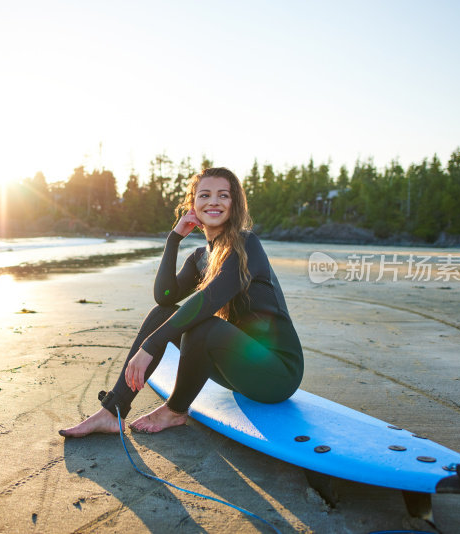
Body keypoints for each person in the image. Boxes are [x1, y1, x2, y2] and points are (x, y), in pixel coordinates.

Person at [59, 167, 303, 437]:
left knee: (204, 324)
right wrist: (174, 239)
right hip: (240, 367)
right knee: (162, 313)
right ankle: (112, 411)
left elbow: (208, 300)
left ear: (235, 204)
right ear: (193, 205)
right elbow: (164, 297)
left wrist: (151, 345)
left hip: (277, 373)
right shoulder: (201, 256)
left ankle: (175, 410)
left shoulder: (246, 245)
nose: (213, 201)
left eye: (224, 195)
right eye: (205, 195)